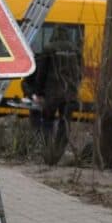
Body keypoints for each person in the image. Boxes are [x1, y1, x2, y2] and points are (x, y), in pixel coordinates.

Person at [24, 30, 83, 164]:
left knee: (47, 121)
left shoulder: (49, 49)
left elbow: (42, 74)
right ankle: (58, 153)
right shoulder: (76, 50)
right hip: (70, 93)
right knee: (65, 123)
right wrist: (75, 89)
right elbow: (80, 73)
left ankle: (47, 153)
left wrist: (38, 93)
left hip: (52, 93)